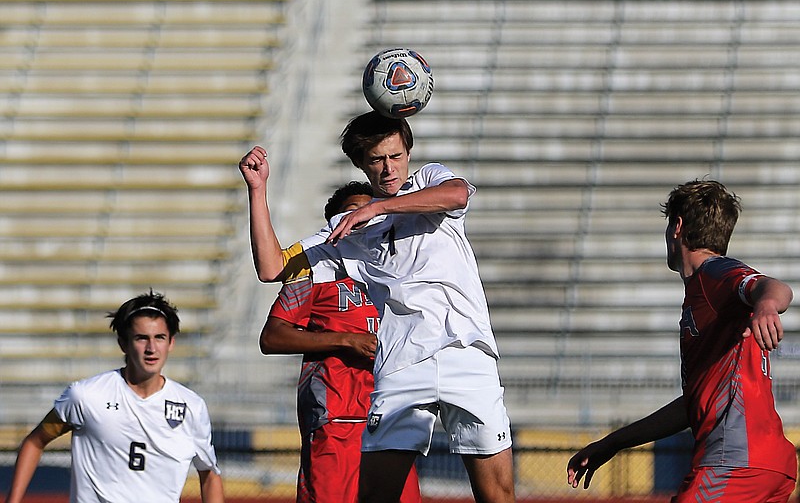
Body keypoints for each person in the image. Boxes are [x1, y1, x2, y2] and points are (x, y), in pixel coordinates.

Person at [239, 110, 515, 503]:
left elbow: (457, 194)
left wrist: (377, 208)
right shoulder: (350, 228)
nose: (388, 168)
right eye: (376, 160)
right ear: (361, 164)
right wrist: (257, 189)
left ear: (408, 152)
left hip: (466, 352)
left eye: (395, 156)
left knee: (498, 494)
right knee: (377, 496)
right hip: (402, 364)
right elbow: (271, 268)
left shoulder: (428, 180)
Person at [567, 179, 796, 502]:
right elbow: (692, 406)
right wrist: (613, 442)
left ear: (677, 227)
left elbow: (773, 287)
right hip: (765, 463)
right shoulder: (705, 301)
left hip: (735, 462)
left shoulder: (713, 275)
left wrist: (767, 305)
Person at [259, 181, 421, 503]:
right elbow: (272, 336)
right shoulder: (315, 270)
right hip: (337, 418)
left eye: (369, 213)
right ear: (335, 226)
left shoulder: (401, 272)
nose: (362, 220)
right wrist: (346, 340)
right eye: (353, 214)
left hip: (391, 414)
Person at [5, 290, 224, 503]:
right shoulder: (86, 396)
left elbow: (209, 474)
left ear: (171, 343)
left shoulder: (192, 406)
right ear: (123, 344)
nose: (151, 348)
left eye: (159, 337)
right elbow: (34, 442)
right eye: (141, 338)